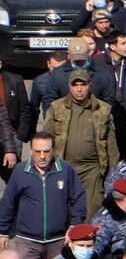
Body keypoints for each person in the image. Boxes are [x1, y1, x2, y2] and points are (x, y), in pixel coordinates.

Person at [0, 130, 87, 259]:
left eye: (46, 152)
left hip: (58, 241)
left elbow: (78, 198)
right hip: (27, 242)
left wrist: (75, 225)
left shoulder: (66, 170)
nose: (41, 156)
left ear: (53, 150)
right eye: (37, 151)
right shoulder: (20, 171)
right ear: (30, 150)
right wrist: (3, 231)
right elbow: (8, 202)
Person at [46, 68, 119, 220]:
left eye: (83, 85)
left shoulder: (103, 109)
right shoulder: (57, 108)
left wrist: (114, 176)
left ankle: (85, 242)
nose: (79, 89)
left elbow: (111, 147)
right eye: (76, 85)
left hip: (92, 170)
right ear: (69, 87)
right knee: (61, 211)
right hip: (64, 167)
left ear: (89, 85)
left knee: (91, 211)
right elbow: (46, 139)